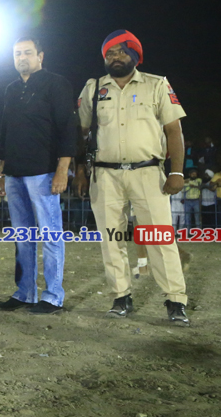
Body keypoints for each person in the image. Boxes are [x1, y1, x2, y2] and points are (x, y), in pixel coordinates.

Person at [75, 29, 189, 325]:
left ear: (135, 56)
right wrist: (80, 170)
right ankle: (120, 297)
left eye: (122, 51)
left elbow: (174, 130)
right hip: (104, 175)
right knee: (111, 239)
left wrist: (177, 171)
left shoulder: (156, 84)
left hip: (148, 173)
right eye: (110, 53)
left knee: (159, 237)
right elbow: (81, 132)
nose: (115, 57)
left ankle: (175, 300)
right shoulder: (93, 87)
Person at [0, 37, 77, 314]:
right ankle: (25, 292)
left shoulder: (56, 84)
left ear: (40, 56)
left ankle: (53, 296)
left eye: (27, 53)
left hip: (43, 172)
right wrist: (1, 173)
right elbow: (4, 131)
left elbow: (67, 128)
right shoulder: (11, 89)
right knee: (22, 236)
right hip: (14, 172)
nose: (22, 58)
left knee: (50, 235)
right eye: (17, 53)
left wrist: (62, 170)